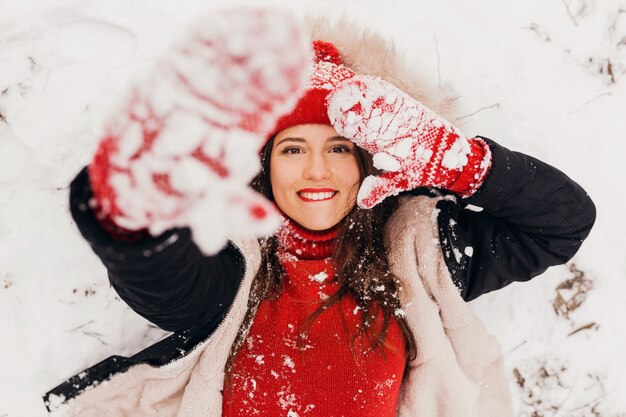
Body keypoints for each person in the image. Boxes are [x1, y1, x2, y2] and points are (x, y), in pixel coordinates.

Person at [44, 9, 595, 417]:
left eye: (338, 149)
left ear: (370, 162)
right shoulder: (234, 268)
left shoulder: (421, 261)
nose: (317, 172)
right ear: (263, 166)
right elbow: (165, 281)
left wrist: (458, 161)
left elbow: (562, 223)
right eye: (292, 149)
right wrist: (130, 211)